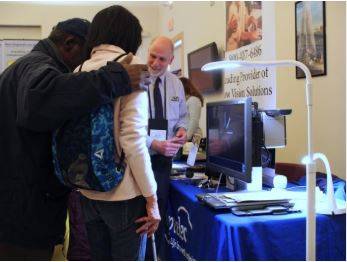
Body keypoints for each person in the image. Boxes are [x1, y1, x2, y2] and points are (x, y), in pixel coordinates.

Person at [0, 18, 150, 260]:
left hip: (20, 208)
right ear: (70, 44)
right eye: (88, 53)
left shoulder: (25, 67)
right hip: (24, 216)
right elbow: (40, 101)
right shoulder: (37, 66)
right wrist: (117, 79)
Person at [65, 6, 160, 261]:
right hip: (124, 193)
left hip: (86, 188)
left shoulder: (78, 70)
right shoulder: (133, 69)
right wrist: (151, 198)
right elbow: (133, 140)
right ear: (130, 37)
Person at [146, 36, 187, 259]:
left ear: (171, 59)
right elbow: (128, 127)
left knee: (158, 212)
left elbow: (182, 117)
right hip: (139, 157)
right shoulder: (136, 81)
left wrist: (182, 130)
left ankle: (156, 257)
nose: (155, 63)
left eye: (162, 59)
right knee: (140, 212)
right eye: (152, 56)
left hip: (163, 160)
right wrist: (154, 143)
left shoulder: (176, 83)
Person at [179, 77, 204, 141]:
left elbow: (194, 120)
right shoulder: (185, 100)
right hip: (188, 137)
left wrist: (186, 137)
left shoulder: (193, 100)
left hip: (193, 137)